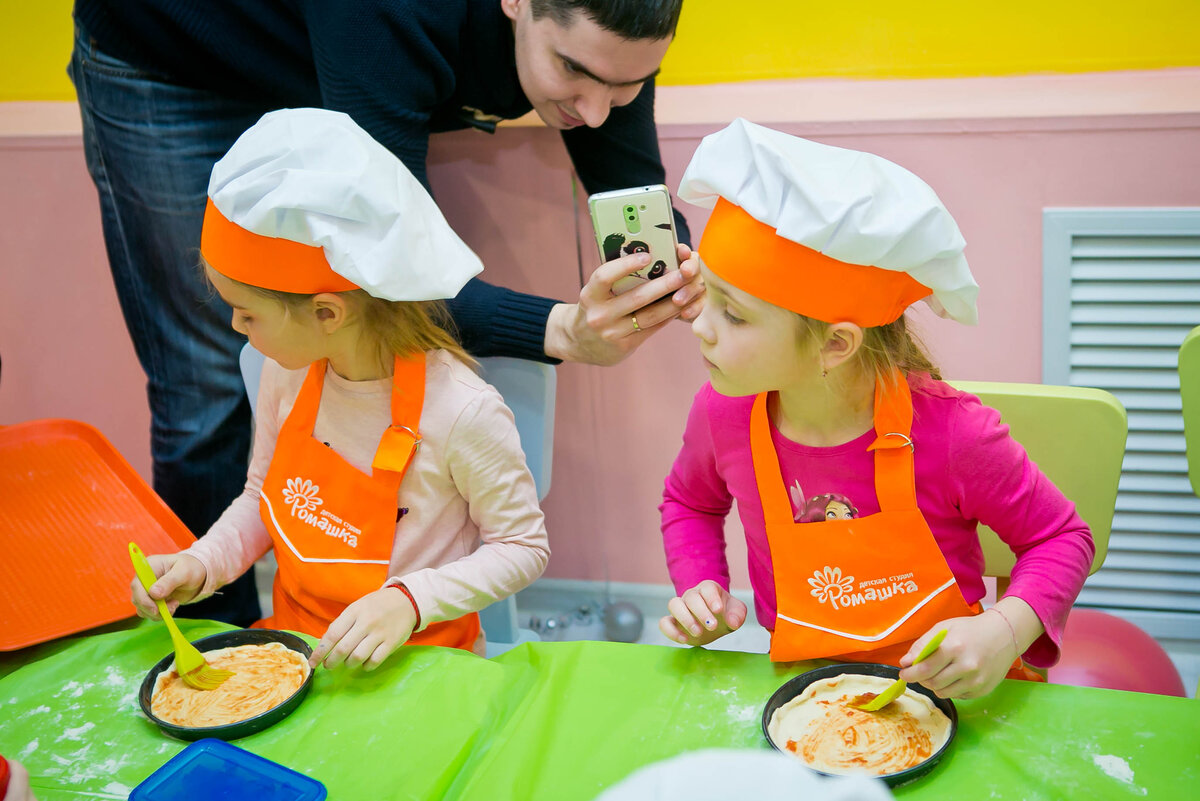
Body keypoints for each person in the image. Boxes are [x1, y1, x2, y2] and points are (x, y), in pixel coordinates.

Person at [69, 0, 702, 625]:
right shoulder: (387, 14)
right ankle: (221, 638)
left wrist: (672, 264)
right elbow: (395, 276)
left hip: (334, 49)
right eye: (573, 70)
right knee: (205, 390)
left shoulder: (612, 33)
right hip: (173, 54)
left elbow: (628, 186)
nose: (595, 115)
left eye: (627, 87)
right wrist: (562, 329)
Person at [657, 119, 1095, 699]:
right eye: (703, 294)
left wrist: (1002, 631)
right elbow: (689, 501)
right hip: (803, 695)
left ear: (835, 345)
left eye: (732, 313)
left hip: (950, 697)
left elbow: (1063, 537)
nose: (700, 327)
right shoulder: (722, 414)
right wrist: (701, 587)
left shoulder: (953, 433)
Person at [130, 109, 550, 668]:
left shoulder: (461, 412)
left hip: (422, 659)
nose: (236, 329)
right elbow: (263, 499)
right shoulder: (285, 369)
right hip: (293, 648)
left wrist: (409, 601)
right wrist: (203, 563)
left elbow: (523, 547)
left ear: (328, 312)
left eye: (246, 313)